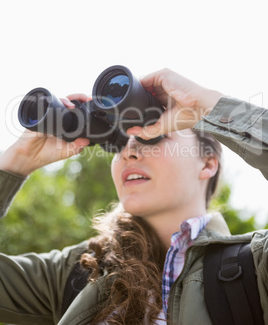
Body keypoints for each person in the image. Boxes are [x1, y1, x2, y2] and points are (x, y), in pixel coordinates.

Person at [0, 68, 267, 324]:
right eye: (118, 144)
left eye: (153, 136)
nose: (129, 152)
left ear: (208, 163)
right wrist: (16, 162)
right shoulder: (78, 271)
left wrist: (209, 106)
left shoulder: (255, 268)